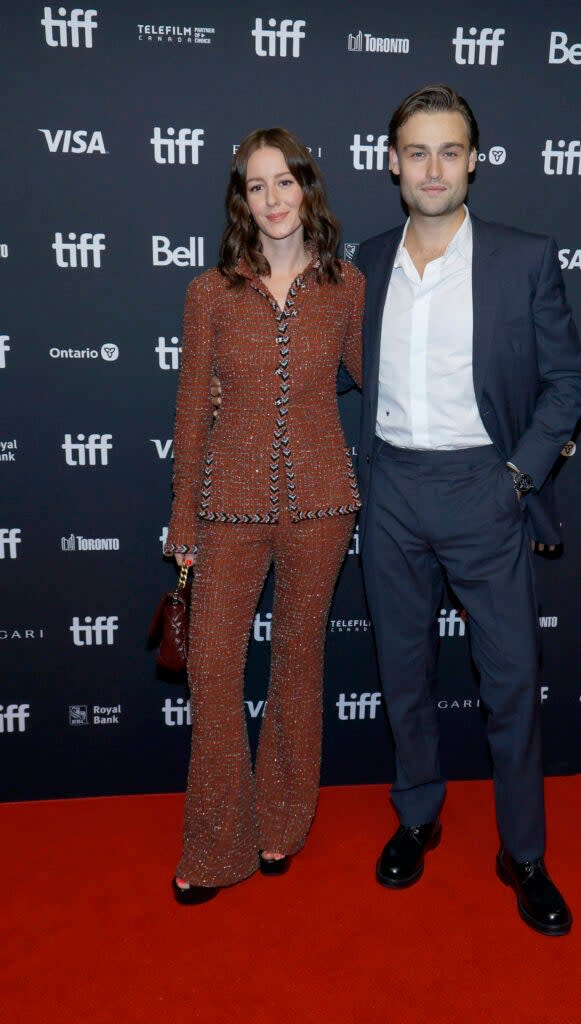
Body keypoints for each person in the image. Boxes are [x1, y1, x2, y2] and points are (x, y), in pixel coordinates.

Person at [354, 85, 581, 936]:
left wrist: (516, 478)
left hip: (485, 492)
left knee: (512, 683)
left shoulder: (522, 258)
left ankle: (521, 852)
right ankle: (417, 815)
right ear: (391, 162)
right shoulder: (364, 262)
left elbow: (568, 385)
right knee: (403, 675)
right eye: (415, 151)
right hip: (391, 493)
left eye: (449, 151)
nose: (432, 167)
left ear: (473, 162)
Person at [164, 127, 364, 904]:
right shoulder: (209, 292)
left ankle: (281, 824)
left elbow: (371, 379)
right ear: (241, 200)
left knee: (296, 667)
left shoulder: (346, 286)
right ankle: (218, 841)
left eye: (285, 181)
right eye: (257, 185)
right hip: (226, 508)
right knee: (212, 671)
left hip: (322, 504)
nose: (273, 198)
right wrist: (183, 520)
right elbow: (189, 413)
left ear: (307, 187)